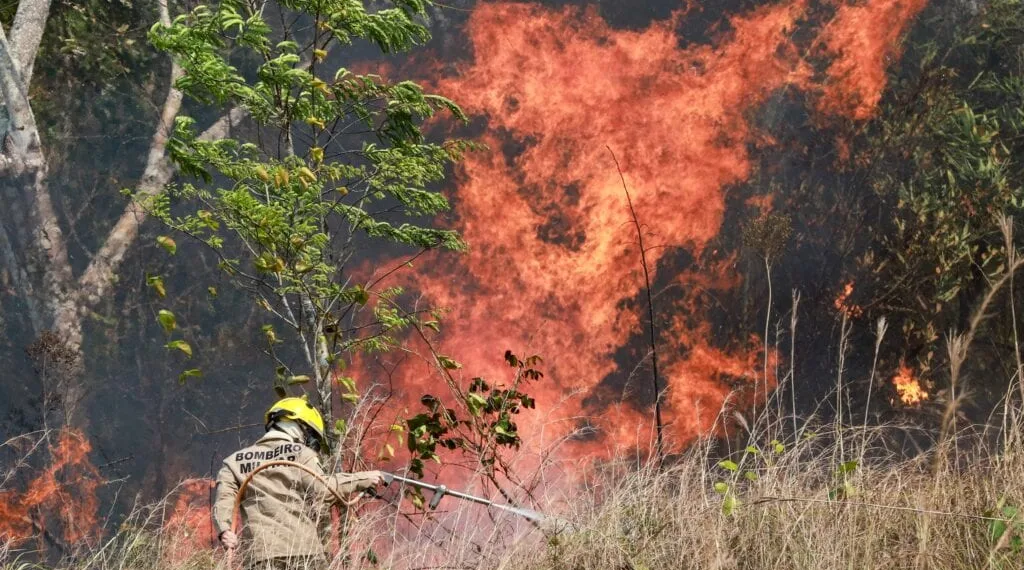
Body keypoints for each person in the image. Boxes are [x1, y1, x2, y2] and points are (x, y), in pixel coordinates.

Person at [212, 397, 384, 568]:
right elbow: (322, 490)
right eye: (311, 437)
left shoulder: (234, 461)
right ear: (301, 427)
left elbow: (224, 500)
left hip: (261, 556)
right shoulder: (302, 453)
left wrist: (225, 530)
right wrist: (363, 479)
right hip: (304, 553)